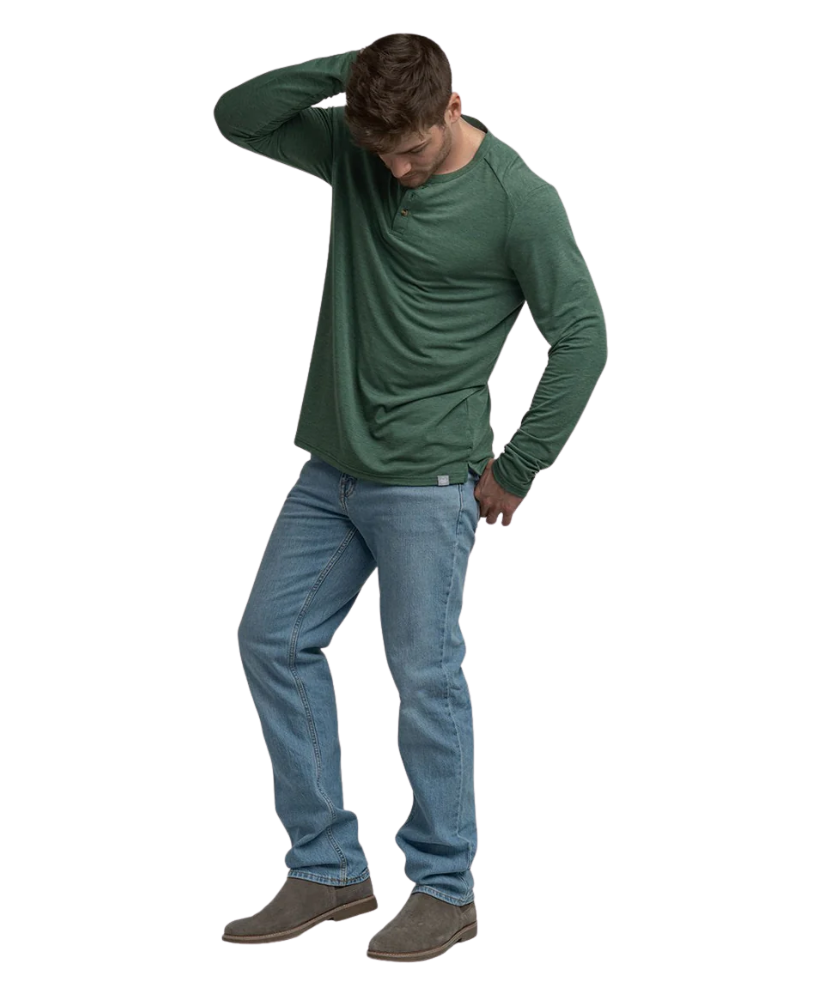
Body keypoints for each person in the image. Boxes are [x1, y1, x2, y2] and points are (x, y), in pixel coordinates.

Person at [213, 32, 607, 963]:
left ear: (455, 107)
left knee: (423, 680)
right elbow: (236, 116)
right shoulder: (363, 149)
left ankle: (444, 887)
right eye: (379, 148)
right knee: (271, 638)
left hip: (428, 484)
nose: (396, 168)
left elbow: (583, 336)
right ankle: (327, 869)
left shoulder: (519, 200)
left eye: (413, 149)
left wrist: (520, 466)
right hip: (328, 471)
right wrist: (353, 71)